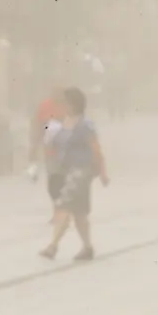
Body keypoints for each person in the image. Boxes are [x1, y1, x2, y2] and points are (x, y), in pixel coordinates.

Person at [39, 87, 108, 261]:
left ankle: (53, 245)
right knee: (79, 213)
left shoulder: (85, 125)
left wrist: (103, 172)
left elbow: (96, 149)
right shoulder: (63, 122)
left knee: (63, 205)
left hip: (81, 171)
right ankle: (87, 247)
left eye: (64, 102)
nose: (61, 105)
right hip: (67, 170)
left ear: (73, 104)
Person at [29, 86, 66, 219]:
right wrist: (34, 147)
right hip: (50, 151)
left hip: (67, 153)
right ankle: (57, 210)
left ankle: (63, 212)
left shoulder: (69, 106)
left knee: (65, 182)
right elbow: (38, 126)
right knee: (53, 183)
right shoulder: (45, 106)